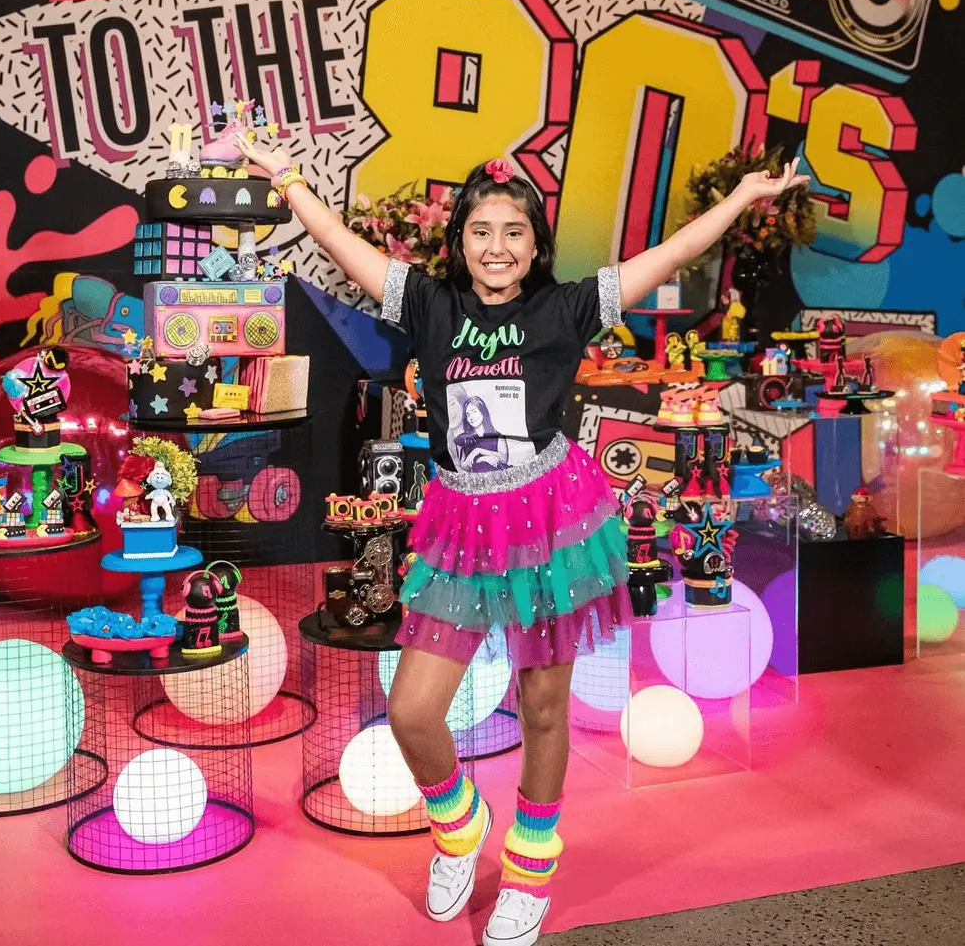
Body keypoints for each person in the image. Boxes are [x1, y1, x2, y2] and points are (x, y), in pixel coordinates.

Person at [237, 138, 806, 946]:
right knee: (413, 710)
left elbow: (671, 254)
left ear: (536, 245)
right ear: (460, 240)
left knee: (542, 706)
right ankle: (459, 828)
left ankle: (530, 869)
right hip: (461, 525)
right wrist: (288, 177)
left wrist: (741, 197)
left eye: (513, 231)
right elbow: (337, 240)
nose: (496, 247)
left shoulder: (565, 309)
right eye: (481, 231)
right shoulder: (428, 304)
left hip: (549, 522)